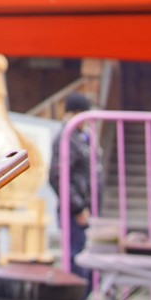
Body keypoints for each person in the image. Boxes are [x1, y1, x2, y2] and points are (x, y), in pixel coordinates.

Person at [49, 93, 98, 287]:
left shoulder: (81, 137)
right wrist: (78, 208)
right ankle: (75, 298)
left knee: (86, 260)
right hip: (75, 212)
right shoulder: (66, 138)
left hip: (84, 208)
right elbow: (57, 176)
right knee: (76, 260)